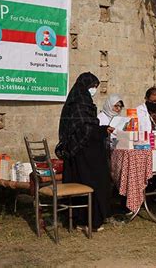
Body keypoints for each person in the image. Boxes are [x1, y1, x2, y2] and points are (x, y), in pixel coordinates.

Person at [58, 72, 113, 232]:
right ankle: (89, 220)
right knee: (94, 181)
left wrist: (101, 130)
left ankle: (86, 219)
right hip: (83, 153)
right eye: (92, 86)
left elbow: (88, 127)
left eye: (95, 87)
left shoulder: (82, 101)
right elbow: (84, 129)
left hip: (84, 151)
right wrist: (101, 131)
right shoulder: (79, 104)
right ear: (84, 86)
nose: (94, 90)